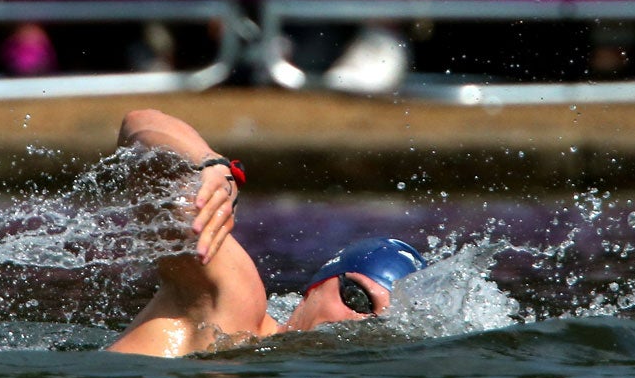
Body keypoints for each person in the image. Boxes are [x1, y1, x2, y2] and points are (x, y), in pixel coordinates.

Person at [106, 109, 426, 357]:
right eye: (357, 298)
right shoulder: (234, 301)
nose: (358, 324)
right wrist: (208, 164)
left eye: (378, 324)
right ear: (317, 285)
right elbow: (137, 124)